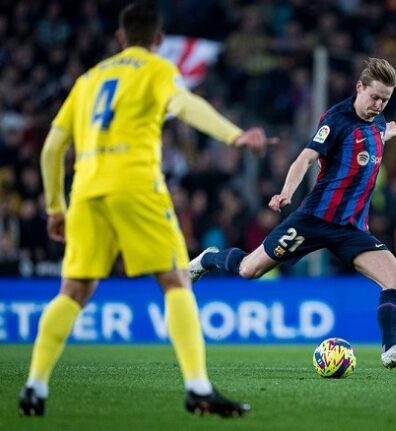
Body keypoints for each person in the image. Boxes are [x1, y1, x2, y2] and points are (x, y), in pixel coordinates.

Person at [18, 1, 275, 417]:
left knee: (73, 292)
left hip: (85, 192)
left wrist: (54, 208)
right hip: (136, 186)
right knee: (176, 281)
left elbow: (51, 149)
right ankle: (197, 387)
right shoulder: (155, 69)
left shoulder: (87, 80)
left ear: (120, 37)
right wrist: (233, 136)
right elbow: (185, 105)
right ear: (158, 40)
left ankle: (35, 385)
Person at [190, 57, 396, 368]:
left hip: (352, 229)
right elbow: (304, 159)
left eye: (385, 100)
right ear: (359, 87)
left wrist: (386, 134)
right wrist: (286, 193)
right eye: (374, 97)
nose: (378, 105)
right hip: (314, 220)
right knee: (249, 270)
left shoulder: (378, 123)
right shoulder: (336, 119)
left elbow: (365, 142)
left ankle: (391, 348)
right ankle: (208, 258)